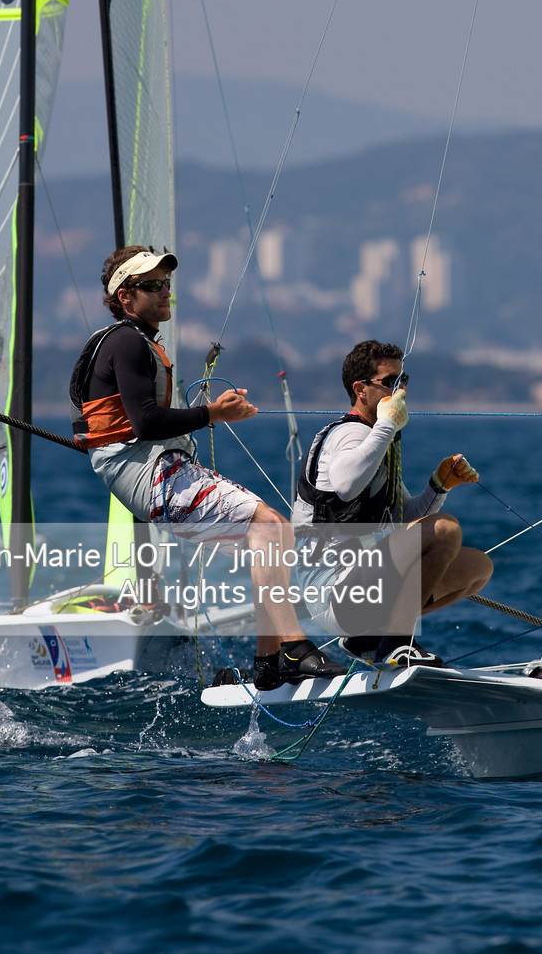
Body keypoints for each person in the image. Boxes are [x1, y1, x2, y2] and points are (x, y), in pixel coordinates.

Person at [70, 245, 346, 690]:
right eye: (152, 286)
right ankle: (293, 648)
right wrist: (215, 414)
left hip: (153, 469)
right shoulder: (125, 340)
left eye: (167, 285)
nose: (164, 293)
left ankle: (269, 661)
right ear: (125, 297)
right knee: (269, 530)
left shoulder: (135, 341)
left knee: (274, 531)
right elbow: (146, 421)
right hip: (150, 475)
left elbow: (113, 420)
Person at [291, 340, 493, 666]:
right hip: (333, 592)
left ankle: (368, 639)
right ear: (361, 389)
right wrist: (387, 425)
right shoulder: (350, 435)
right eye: (389, 383)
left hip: (362, 582)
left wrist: (439, 486)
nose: (399, 392)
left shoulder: (375, 439)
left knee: (477, 568)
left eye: (403, 381)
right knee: (446, 529)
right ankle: (397, 644)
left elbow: (404, 516)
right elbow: (345, 484)